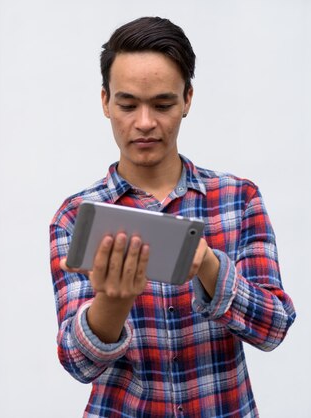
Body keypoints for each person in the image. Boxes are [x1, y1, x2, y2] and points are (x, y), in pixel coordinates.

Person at [49, 17, 296, 417]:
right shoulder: (76, 218)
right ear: (105, 102)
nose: (144, 122)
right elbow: (78, 363)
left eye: (162, 104)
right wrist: (113, 303)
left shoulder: (239, 198)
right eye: (127, 104)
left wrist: (208, 265)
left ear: (187, 100)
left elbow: (274, 329)